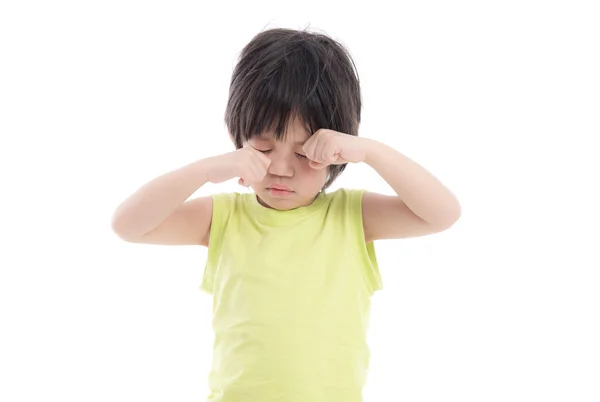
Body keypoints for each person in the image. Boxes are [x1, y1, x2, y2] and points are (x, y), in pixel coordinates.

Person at [111, 27, 461, 402]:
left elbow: (442, 213)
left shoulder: (352, 217)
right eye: (263, 147)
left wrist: (370, 151)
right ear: (239, 137)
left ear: (337, 150)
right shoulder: (223, 218)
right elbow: (128, 225)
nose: (280, 168)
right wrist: (205, 171)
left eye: (303, 153)